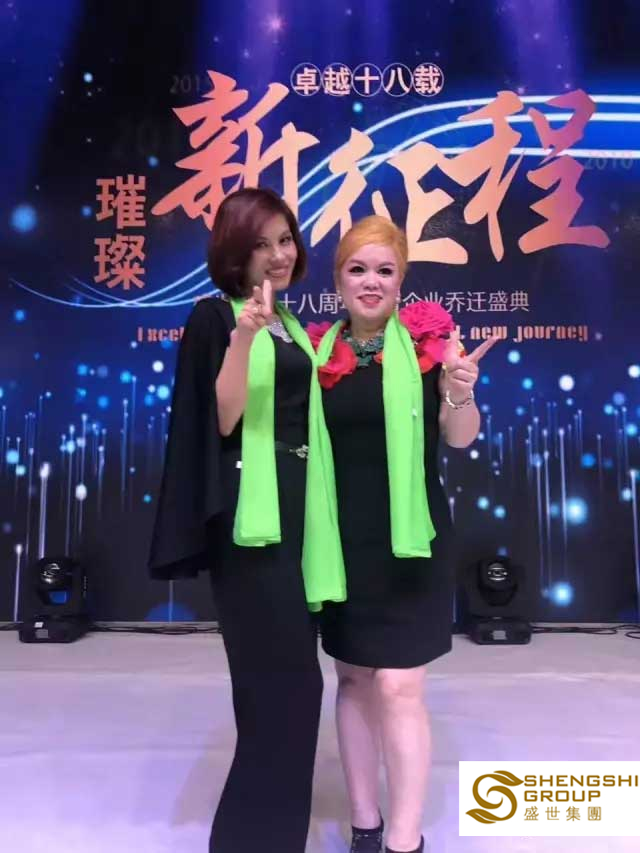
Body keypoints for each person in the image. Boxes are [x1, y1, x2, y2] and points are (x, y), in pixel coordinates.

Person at [148, 187, 346, 853]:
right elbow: (224, 417)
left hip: (299, 514)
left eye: (285, 239)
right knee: (278, 689)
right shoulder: (217, 318)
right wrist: (243, 337)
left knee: (293, 689)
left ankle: (269, 837)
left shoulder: (291, 323)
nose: (278, 254)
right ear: (235, 251)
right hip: (250, 522)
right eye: (261, 243)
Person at [310, 216, 497, 853]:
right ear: (338, 279)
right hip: (342, 545)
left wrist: (460, 391)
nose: (371, 282)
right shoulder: (316, 356)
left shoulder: (429, 351)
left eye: (384, 271)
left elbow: (459, 438)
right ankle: (365, 826)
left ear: (401, 281)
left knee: (398, 685)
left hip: (412, 544)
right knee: (354, 681)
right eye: (357, 269)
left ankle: (404, 839)